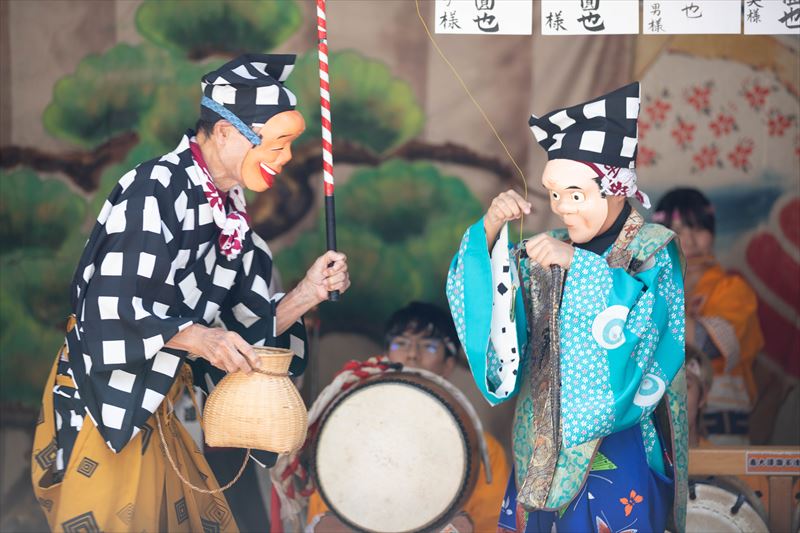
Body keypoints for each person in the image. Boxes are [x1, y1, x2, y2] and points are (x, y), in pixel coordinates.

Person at [30, 53, 350, 532]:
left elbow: (243, 328)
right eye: (277, 143)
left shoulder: (230, 211)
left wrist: (308, 292)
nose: (286, 158)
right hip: (108, 399)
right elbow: (113, 306)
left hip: (158, 404)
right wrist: (200, 338)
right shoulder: (156, 187)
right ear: (224, 132)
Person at [446, 82, 689, 532]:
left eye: (575, 195)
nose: (561, 209)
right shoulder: (546, 249)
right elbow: (491, 307)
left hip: (619, 441)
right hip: (541, 443)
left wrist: (580, 266)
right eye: (553, 194)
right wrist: (490, 228)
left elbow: (648, 327)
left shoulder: (653, 249)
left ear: (616, 189)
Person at [305, 302, 511, 533]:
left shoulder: (484, 450)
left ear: (448, 364)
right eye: (401, 343)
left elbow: (491, 525)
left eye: (429, 346)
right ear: (385, 357)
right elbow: (323, 520)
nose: (412, 355)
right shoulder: (350, 436)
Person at [653, 188, 764, 445]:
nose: (689, 240)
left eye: (698, 228)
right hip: (662, 422)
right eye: (678, 230)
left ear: (712, 232)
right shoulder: (654, 287)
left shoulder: (733, 289)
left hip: (721, 421)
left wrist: (649, 307)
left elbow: (710, 345)